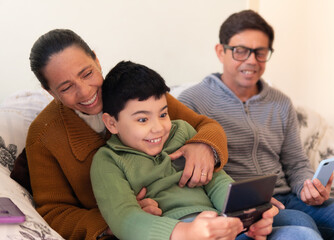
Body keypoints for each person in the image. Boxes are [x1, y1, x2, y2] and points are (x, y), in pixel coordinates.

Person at [26, 29, 229, 240]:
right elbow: (53, 212)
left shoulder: (136, 94)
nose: (85, 92)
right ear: (49, 91)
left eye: (87, 74)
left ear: (96, 60)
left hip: (200, 216)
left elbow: (206, 126)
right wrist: (116, 220)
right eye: (66, 87)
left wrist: (204, 146)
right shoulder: (43, 136)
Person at [178, 9, 334, 240]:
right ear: (220, 51)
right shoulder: (191, 102)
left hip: (288, 198)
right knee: (301, 226)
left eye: (260, 52)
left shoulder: (281, 102)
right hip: (240, 206)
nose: (252, 61)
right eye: (240, 51)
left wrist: (309, 185)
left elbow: (296, 163)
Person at [91, 60, 320, 240]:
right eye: (142, 120)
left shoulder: (182, 132)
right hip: (177, 232)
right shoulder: (108, 160)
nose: (158, 128)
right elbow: (124, 219)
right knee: (301, 233)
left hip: (221, 222)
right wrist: (187, 233)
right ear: (111, 123)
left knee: (302, 225)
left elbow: (218, 182)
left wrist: (248, 215)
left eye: (162, 114)